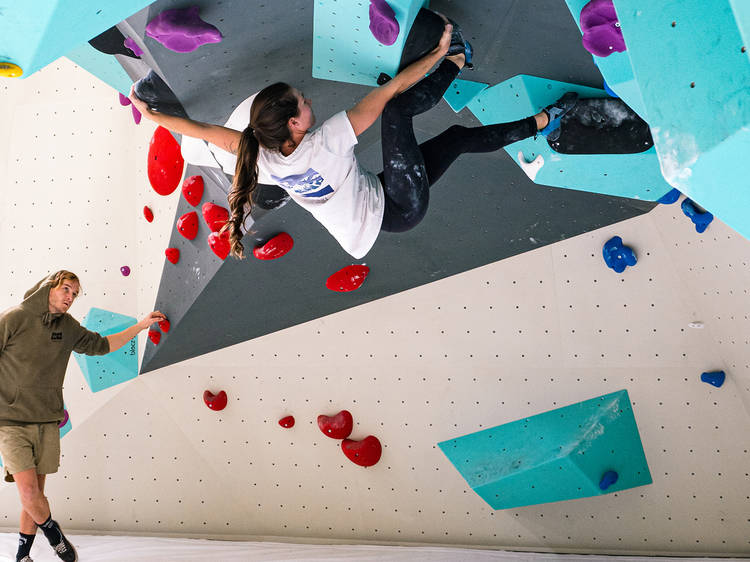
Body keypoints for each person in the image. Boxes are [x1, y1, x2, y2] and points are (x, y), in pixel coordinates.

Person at [130, 21, 576, 259]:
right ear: (294, 126)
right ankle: (459, 60)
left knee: (456, 138)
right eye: (301, 102)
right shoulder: (326, 141)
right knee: (398, 109)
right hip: (398, 206)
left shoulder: (261, 156)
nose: (308, 99)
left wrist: (155, 116)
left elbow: (204, 132)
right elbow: (392, 92)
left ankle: (543, 122)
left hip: (382, 203)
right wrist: (439, 53)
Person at [0, 271, 165, 562]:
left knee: (36, 494)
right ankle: (54, 535)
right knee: (28, 492)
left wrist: (139, 326)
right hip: (11, 421)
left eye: (75, 294)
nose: (70, 297)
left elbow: (102, 345)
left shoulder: (69, 327)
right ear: (49, 286)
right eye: (66, 289)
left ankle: (22, 556)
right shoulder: (15, 318)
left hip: (48, 420)